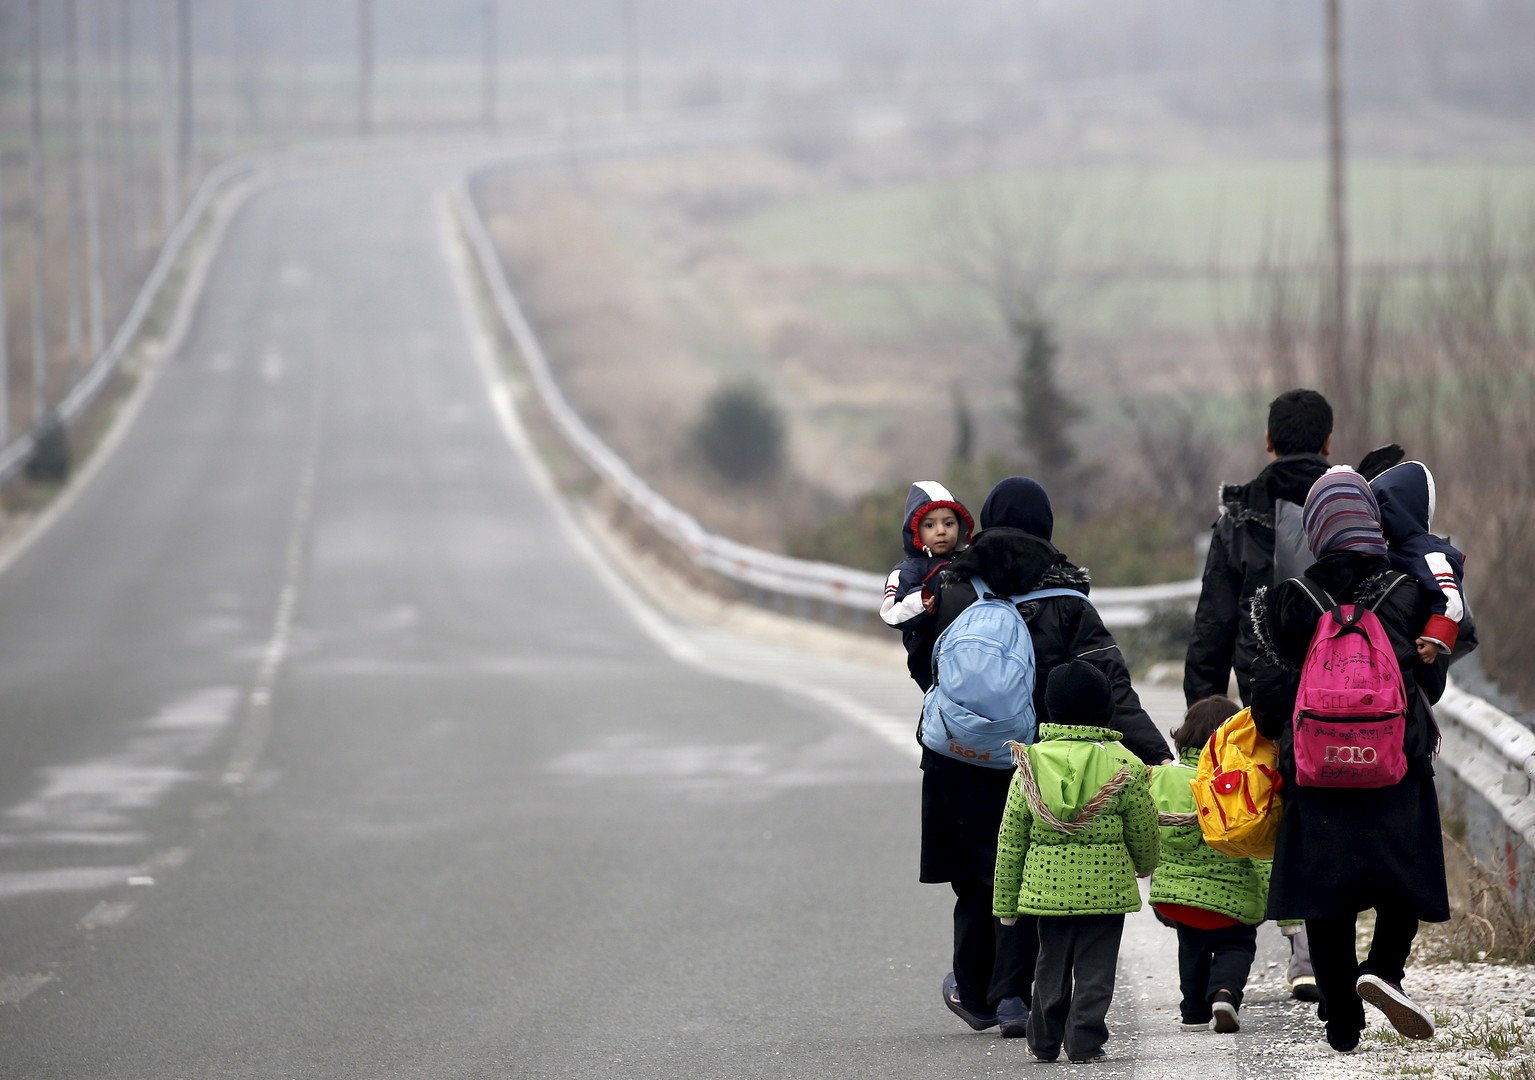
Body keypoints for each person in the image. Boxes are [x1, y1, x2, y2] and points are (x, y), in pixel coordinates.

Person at [914, 476, 1171, 1039]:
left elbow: (927, 669)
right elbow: (1112, 687)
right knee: (1030, 868)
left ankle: (982, 993)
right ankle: (1017, 993)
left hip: (959, 756)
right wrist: (1156, 755)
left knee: (978, 879)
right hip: (1041, 761)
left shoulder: (955, 584)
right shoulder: (1066, 598)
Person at [1247, 467, 1450, 1054]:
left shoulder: (1293, 599)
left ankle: (1340, 1014)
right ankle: (1384, 971)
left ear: (1316, 527)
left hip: (1318, 775)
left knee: (1325, 895)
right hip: (1396, 767)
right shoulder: (1406, 589)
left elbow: (1270, 700)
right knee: (1401, 879)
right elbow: (1430, 684)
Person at [1182, 387, 1332, 1000]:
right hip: (1343, 688)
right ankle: (1318, 950)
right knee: (1327, 812)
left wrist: (1204, 717)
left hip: (1264, 693)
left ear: (1268, 442)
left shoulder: (1241, 515)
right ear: (1328, 442)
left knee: (1271, 808)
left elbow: (1214, 621)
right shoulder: (1352, 502)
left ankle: (1287, 944)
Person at [993, 661, 1160, 1064]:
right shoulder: (1125, 764)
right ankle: (1085, 1041)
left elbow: (1011, 840)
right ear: (1105, 708)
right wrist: (1145, 863)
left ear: (1050, 708)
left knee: (1050, 963)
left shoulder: (1030, 765)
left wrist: (1006, 904)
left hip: (1046, 889)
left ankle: (1044, 1039)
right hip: (1106, 889)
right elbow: (1143, 828)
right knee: (1096, 971)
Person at [1147, 695, 1271, 1035]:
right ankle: (1225, 992)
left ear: (1184, 735)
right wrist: (1273, 896)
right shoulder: (1245, 782)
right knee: (1237, 944)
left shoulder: (1160, 777)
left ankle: (1193, 1012)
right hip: (1234, 897)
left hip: (1180, 898)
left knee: (1192, 948)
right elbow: (1261, 847)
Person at [1368, 460, 1477, 665]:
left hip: (1419, 649)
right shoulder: (1391, 549)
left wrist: (1434, 639)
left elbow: (1449, 597)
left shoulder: (1429, 553)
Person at [880, 481, 975, 688]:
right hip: (931, 662)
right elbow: (890, 611)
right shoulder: (908, 570)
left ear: (960, 526)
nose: (941, 531)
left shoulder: (970, 561)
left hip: (971, 656)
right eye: (930, 525)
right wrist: (919, 602)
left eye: (949, 523)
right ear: (915, 530)